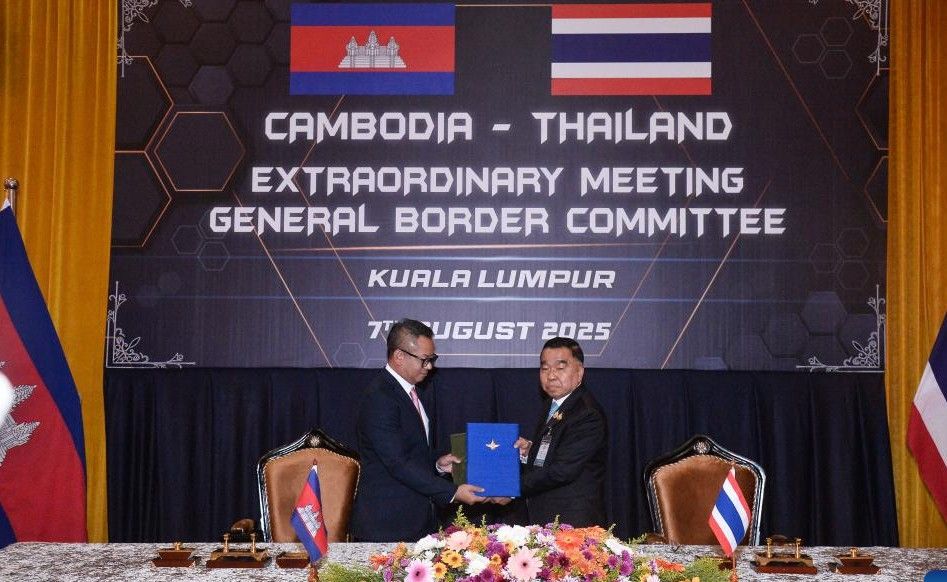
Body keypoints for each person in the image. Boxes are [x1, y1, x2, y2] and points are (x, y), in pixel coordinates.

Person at [349, 319, 486, 541]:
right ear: (399, 356)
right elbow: (397, 463)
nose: (429, 367)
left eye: (432, 359)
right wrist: (452, 492)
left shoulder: (411, 392)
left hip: (415, 519)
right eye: (425, 360)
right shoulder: (380, 398)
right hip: (387, 524)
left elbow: (413, 451)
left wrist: (437, 463)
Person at [512, 336, 607, 527]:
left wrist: (510, 487)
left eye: (560, 368)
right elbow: (557, 449)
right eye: (545, 368)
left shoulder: (587, 413)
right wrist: (530, 451)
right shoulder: (554, 403)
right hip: (548, 516)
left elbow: (562, 471)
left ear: (579, 372)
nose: (551, 375)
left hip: (572, 523)